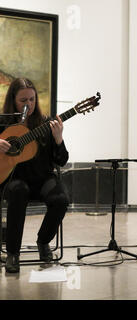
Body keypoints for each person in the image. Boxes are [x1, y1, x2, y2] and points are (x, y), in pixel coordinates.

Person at [0, 78, 69, 273]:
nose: (28, 104)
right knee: (18, 192)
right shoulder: (3, 123)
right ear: (13, 100)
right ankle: (13, 253)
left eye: (32, 99)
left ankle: (43, 241)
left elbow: (62, 160)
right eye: (23, 100)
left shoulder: (46, 123)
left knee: (61, 199)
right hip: (13, 181)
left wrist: (58, 139)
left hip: (42, 179)